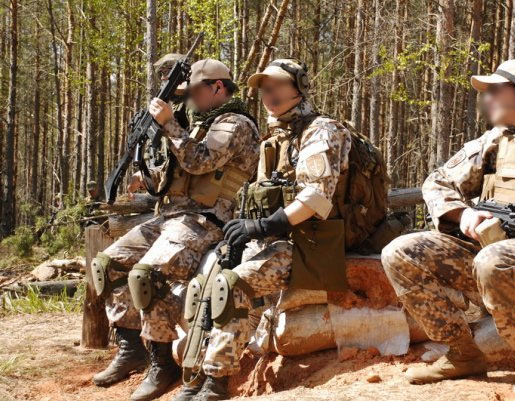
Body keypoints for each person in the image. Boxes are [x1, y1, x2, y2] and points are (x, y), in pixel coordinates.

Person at [381, 59, 515, 400]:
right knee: (400, 251)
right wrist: (464, 214)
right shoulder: (495, 140)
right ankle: (462, 353)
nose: (486, 98)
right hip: (493, 254)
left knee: (494, 258)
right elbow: (437, 182)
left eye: (496, 90)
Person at [175, 58, 354, 401]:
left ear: (299, 87)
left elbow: (316, 198)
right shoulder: (274, 139)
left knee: (233, 285)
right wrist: (244, 233)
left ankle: (216, 382)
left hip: (314, 243)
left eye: (277, 86)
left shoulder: (322, 131)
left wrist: (262, 226)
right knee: (206, 284)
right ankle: (193, 373)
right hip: (279, 239)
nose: (269, 94)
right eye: (263, 88)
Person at [90, 58, 260, 401]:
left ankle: (162, 362)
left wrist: (168, 124)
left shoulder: (235, 123)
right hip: (171, 217)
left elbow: (200, 161)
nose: (190, 98)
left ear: (218, 87)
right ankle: (131, 350)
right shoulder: (200, 124)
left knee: (146, 275)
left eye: (195, 91)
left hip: (207, 219)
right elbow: (180, 171)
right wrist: (147, 176)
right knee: (107, 264)